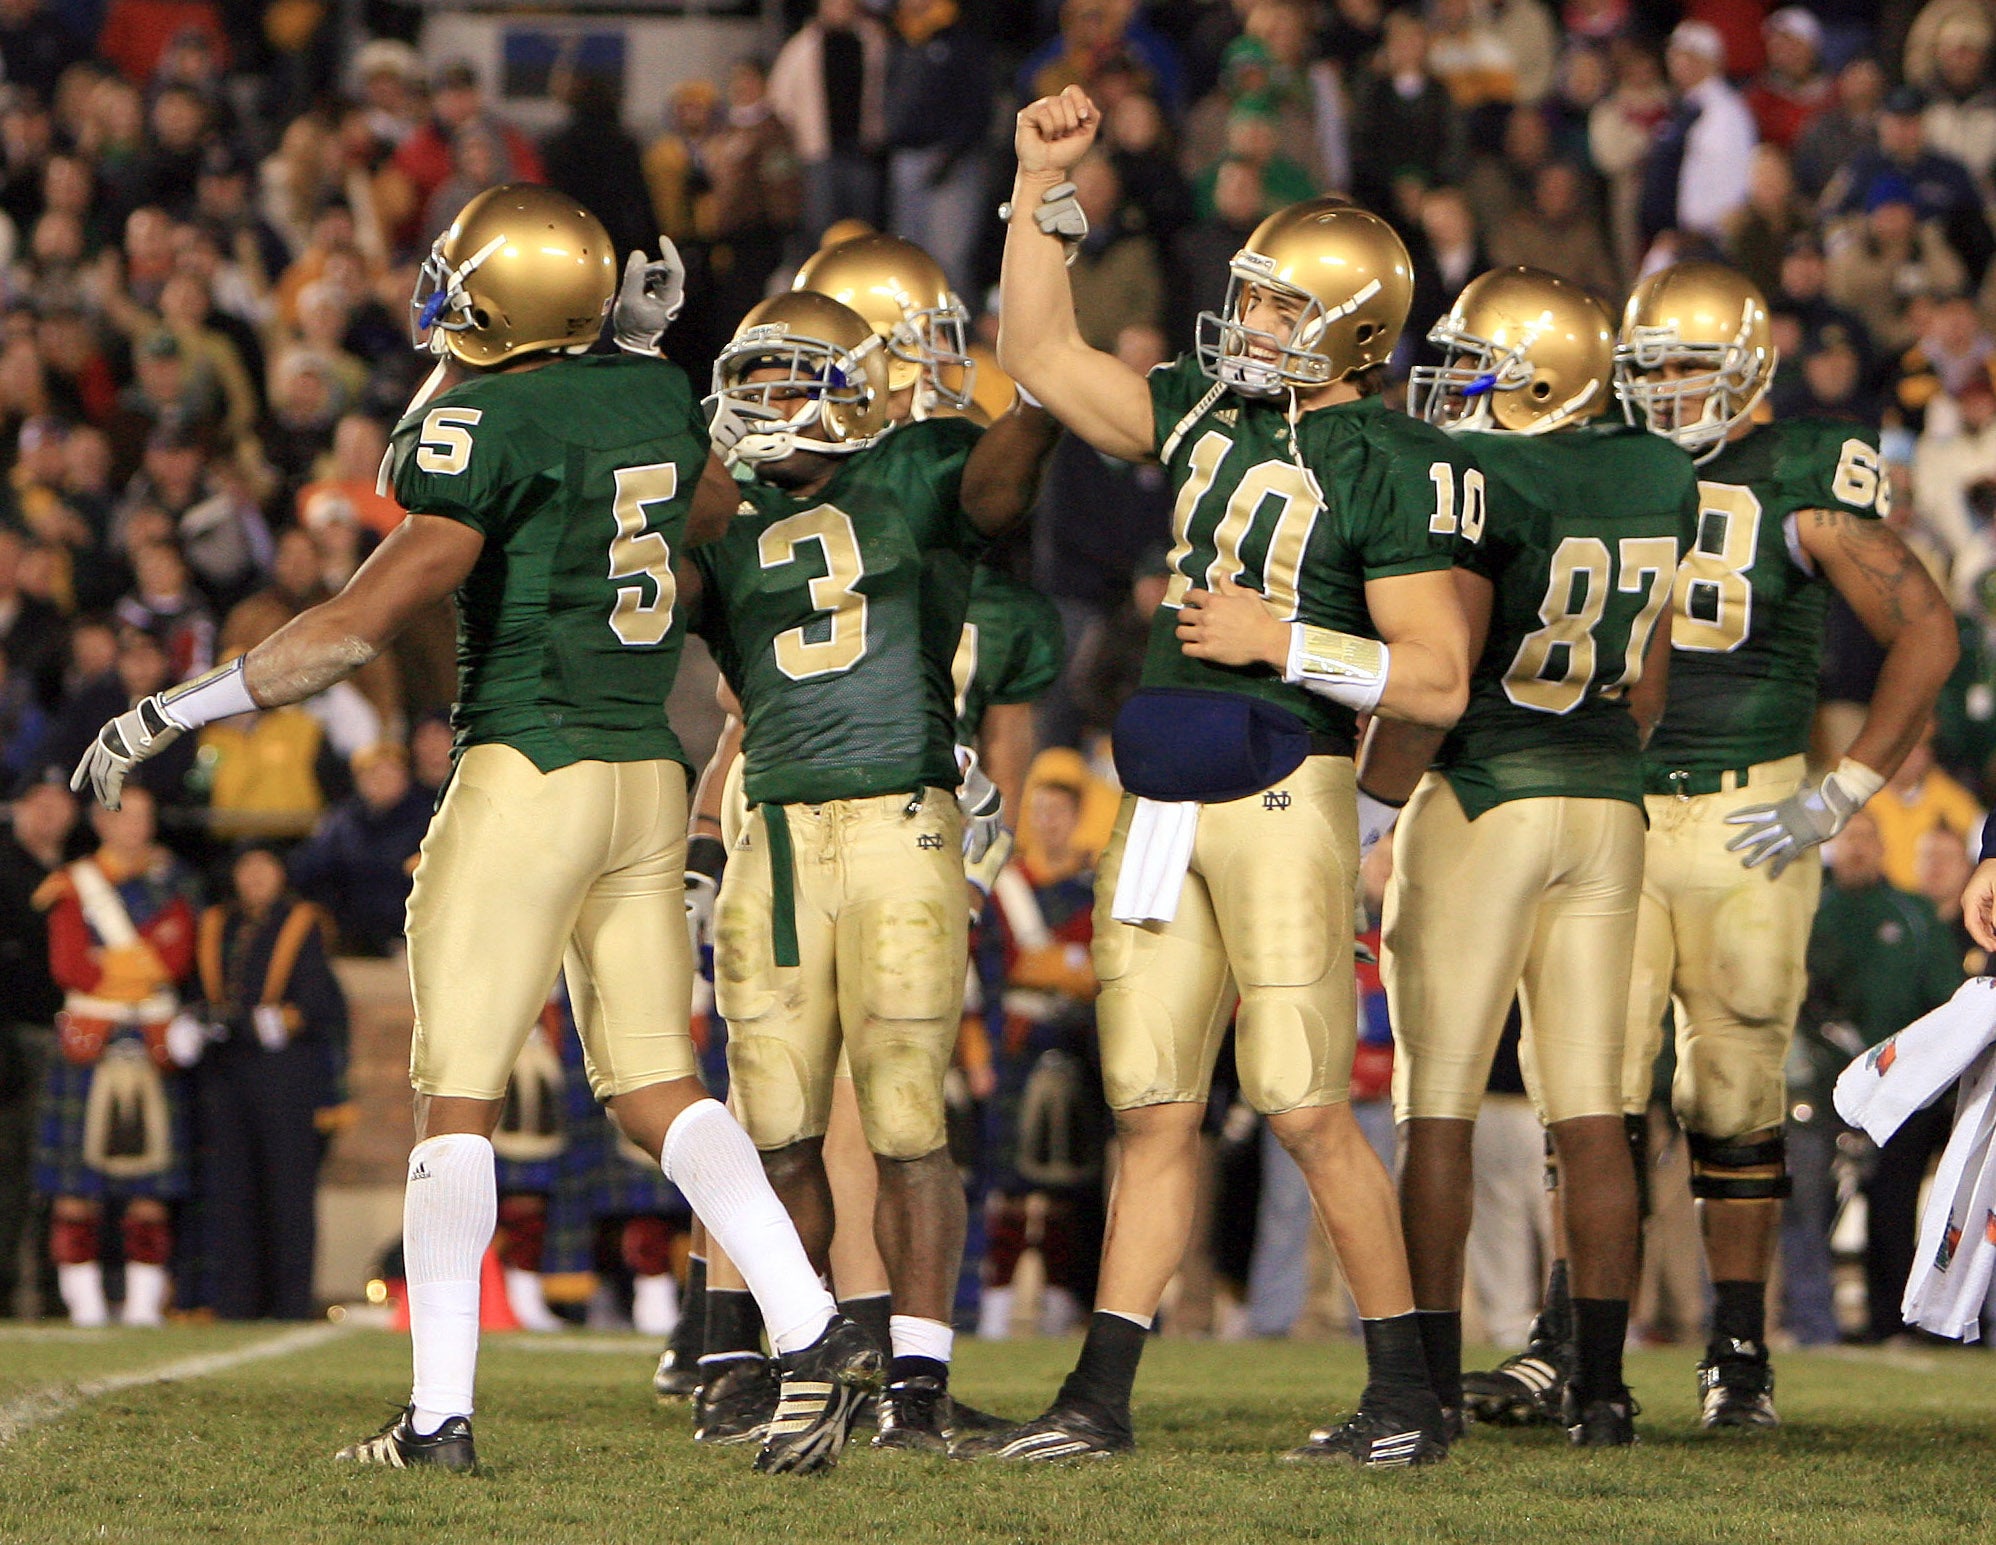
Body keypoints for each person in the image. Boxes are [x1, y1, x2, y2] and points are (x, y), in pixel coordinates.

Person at [70, 184, 880, 1476]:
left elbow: (354, 623)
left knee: (457, 1096)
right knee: (658, 1084)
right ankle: (814, 1324)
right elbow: (709, 513)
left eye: (463, 285)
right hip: (645, 779)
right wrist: (634, 363)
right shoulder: (653, 392)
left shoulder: (477, 419)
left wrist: (180, 707)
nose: (441, 305)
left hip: (530, 768)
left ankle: (439, 1415)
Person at [971, 87, 1476, 1467]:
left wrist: (1291, 642)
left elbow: (1436, 676)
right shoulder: (1199, 409)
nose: (1246, 325)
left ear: (1349, 332)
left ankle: (1404, 1394)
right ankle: (1098, 1397)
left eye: (1273, 309)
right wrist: (1039, 187)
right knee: (1151, 1105)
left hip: (1284, 792)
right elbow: (1036, 346)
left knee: (1310, 1102)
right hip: (1160, 803)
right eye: (1247, 300)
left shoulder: (1387, 456)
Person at [1475, 260, 1957, 1431]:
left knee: (1734, 1089)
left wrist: (1838, 797)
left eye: (1687, 366)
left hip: (1749, 810)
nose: (1665, 390)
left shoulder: (1801, 468)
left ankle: (1736, 1353)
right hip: (1615, 803)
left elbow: (1926, 631)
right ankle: (1566, 1341)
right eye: (1647, 369)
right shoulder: (1610, 458)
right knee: (1587, 1088)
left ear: (1745, 368)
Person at [668, 276, 1054, 1454]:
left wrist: (1043, 357)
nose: (768, 400)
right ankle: (805, 1354)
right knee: (776, 1124)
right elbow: (645, 567)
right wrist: (639, 378)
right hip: (774, 836)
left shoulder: (925, 468)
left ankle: (919, 1391)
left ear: (853, 391)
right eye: (753, 380)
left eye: (792, 376)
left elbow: (1014, 458)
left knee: (903, 1117)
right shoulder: (719, 518)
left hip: (901, 821)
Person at [1373, 268, 1700, 1446]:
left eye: (1479, 368)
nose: (1456, 386)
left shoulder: (1480, 471)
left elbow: (1439, 678)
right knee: (1592, 1113)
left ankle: (1422, 1394)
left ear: (1542, 379)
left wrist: (1372, 804)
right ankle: (1602, 1394)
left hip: (1481, 792)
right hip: (1608, 801)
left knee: (1440, 1107)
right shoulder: (1665, 472)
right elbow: (1650, 686)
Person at [31, 784, 197, 1328]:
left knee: (150, 1189)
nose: (136, 827)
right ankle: (86, 1308)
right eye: (125, 817)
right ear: (101, 823)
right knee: (76, 1189)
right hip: (89, 1043)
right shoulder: (71, 886)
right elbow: (71, 967)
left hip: (148, 1041)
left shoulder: (176, 882)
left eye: (145, 816)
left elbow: (174, 960)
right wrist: (137, 967)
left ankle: (145, 1307)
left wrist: (115, 966)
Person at [191, 843, 349, 1319]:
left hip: (286, 1074)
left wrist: (278, 1021)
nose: (255, 877)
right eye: (247, 868)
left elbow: (322, 1002)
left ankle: (289, 1303)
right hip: (227, 1069)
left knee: (288, 1189)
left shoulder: (304, 921)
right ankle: (235, 1301)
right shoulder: (219, 922)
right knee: (231, 1187)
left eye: (265, 867)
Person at [0, 773, 77, 1317]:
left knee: (60, 1170)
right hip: (14, 1039)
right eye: (38, 803)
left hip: (70, 1036)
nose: (49, 814)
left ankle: (54, 1293)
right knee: (11, 1170)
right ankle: (7, 1291)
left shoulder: (79, 874)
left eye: (58, 804)